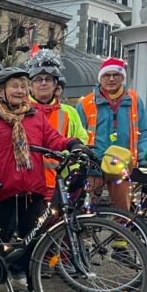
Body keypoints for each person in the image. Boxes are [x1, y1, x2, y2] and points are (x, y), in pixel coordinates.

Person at [0, 67, 84, 292]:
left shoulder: (36, 117)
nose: (20, 91)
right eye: (14, 86)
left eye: (24, 86)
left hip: (32, 190)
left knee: (32, 239)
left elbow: (54, 139)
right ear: (0, 91)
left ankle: (30, 288)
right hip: (2, 190)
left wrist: (72, 143)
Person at [76, 58, 147, 211]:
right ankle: (86, 235)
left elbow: (144, 132)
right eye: (106, 75)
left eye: (116, 75)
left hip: (122, 166)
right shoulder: (85, 103)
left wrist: (144, 158)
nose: (111, 79)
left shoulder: (135, 101)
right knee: (85, 210)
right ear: (100, 78)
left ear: (122, 78)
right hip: (93, 165)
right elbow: (77, 135)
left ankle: (121, 235)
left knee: (123, 212)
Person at [27, 60, 88, 195]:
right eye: (38, 80)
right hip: (29, 181)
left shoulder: (69, 112)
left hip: (62, 180)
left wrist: (71, 152)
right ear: (30, 86)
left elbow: (82, 137)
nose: (43, 83)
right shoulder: (21, 110)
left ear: (55, 85)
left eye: (48, 79)